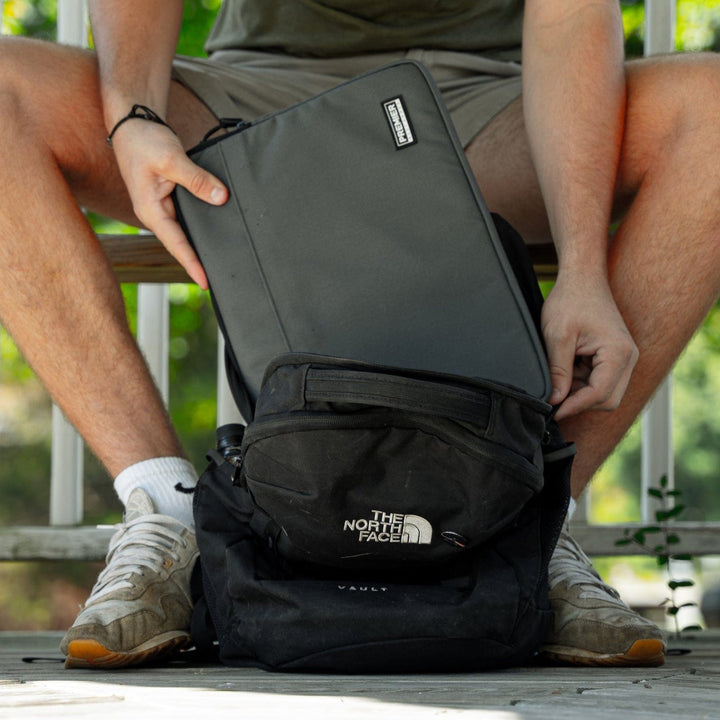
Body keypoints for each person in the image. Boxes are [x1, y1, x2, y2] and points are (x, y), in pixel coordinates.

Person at [2, 0, 714, 669]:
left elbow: (569, 16)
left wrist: (584, 264)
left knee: (713, 108)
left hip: (483, 114)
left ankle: (530, 523)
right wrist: (133, 117)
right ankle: (169, 514)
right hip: (246, 102)